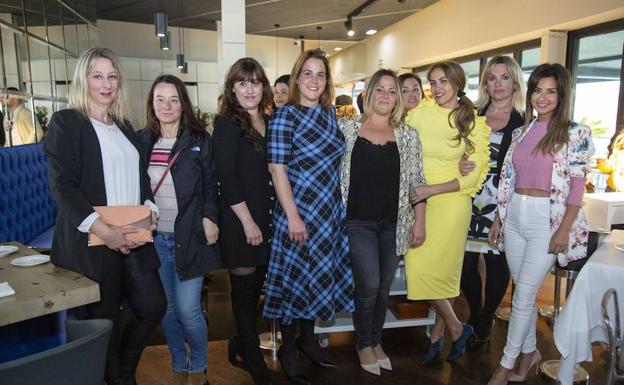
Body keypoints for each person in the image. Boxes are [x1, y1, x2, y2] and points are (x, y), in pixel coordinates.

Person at [43, 47, 166, 385]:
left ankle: (124, 369)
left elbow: (142, 179)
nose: (106, 83)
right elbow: (63, 186)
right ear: (84, 80)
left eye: (112, 76)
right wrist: (104, 229)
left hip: (134, 235)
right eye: (97, 76)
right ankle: (118, 378)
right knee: (106, 322)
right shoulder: (67, 122)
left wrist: (150, 213)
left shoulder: (125, 127)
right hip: (94, 240)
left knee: (153, 307)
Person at [487, 63, 592, 385]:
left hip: (547, 220)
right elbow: (508, 178)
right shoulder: (521, 131)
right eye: (537, 90)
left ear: (562, 96)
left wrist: (564, 228)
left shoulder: (576, 132)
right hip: (515, 214)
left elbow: (577, 185)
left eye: (551, 91)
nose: (542, 97)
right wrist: (498, 218)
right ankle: (529, 353)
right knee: (523, 291)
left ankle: (505, 365)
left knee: (522, 296)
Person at [263, 48, 353, 385]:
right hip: (298, 211)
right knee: (295, 280)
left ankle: (309, 341)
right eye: (308, 73)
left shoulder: (330, 115)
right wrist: (293, 216)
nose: (314, 80)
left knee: (318, 278)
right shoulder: (284, 116)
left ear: (327, 81)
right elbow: (276, 169)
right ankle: (288, 349)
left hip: (328, 212)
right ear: (297, 77)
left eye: (320, 74)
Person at [338, 69, 426, 375]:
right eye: (380, 90)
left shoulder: (408, 135)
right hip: (357, 222)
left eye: (392, 91)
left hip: (395, 222)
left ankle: (376, 341)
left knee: (385, 287)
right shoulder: (346, 129)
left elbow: (417, 181)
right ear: (369, 94)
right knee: (369, 284)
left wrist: (420, 222)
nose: (386, 96)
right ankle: (364, 343)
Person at [405, 61, 490, 364]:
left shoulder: (473, 122)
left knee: (444, 275)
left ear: (457, 83)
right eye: (433, 82)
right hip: (420, 204)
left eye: (443, 81)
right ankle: (457, 329)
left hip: (451, 202)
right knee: (419, 270)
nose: (437, 88)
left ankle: (438, 336)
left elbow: (472, 176)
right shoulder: (418, 114)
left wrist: (431, 189)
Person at [138, 74, 221, 385]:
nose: (167, 105)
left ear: (183, 104)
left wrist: (210, 217)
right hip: (154, 239)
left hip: (191, 237)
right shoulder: (143, 140)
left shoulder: (199, 140)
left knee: (188, 309)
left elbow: (211, 185)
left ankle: (199, 364)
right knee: (166, 308)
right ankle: (178, 361)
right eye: (160, 99)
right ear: (152, 104)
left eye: (173, 99)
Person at [212, 58, 275, 385]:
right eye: (242, 83)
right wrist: (248, 223)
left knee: (256, 291)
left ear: (263, 87)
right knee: (244, 293)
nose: (250, 89)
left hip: (266, 219)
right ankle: (253, 359)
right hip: (241, 221)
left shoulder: (269, 120)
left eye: (255, 82)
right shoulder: (226, 124)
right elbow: (227, 178)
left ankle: (239, 341)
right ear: (232, 88)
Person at [458, 56, 525, 351]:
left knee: (497, 261)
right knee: (464, 262)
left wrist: (503, 211)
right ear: (485, 82)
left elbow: (520, 169)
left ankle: (486, 317)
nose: (498, 83)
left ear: (515, 82)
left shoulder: (524, 121)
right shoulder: (472, 115)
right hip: (468, 196)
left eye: (504, 77)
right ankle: (475, 311)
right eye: (492, 77)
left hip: (502, 198)